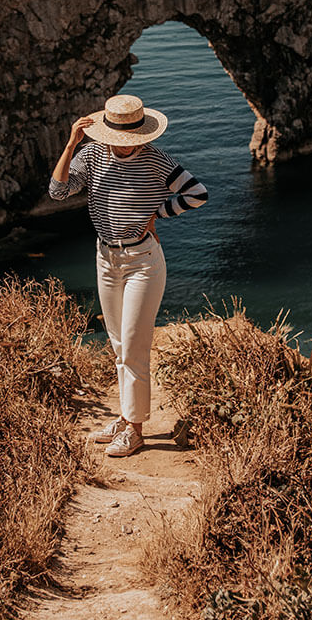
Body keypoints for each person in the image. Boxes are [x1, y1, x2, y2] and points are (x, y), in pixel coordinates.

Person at [49, 93, 208, 457]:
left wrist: (160, 215)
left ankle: (135, 430)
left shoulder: (156, 161)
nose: (122, 146)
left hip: (142, 261)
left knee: (134, 346)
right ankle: (125, 418)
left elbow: (197, 193)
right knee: (119, 346)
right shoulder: (90, 155)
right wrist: (71, 144)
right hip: (106, 258)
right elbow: (58, 191)